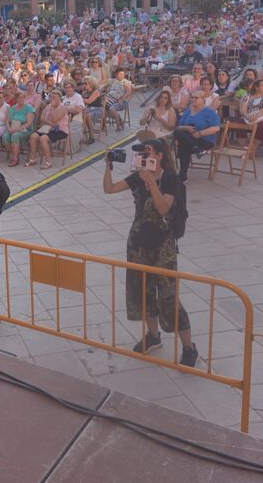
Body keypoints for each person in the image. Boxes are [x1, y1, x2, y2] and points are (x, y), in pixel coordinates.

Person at [103, 137, 198, 367]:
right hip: (137, 243)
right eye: (142, 152)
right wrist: (108, 166)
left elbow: (164, 208)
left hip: (162, 247)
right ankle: (153, 336)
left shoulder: (171, 180)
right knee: (140, 292)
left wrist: (152, 183)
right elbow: (110, 189)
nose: (144, 156)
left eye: (149, 151)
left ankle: (188, 347)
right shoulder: (139, 176)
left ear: (160, 155)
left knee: (168, 297)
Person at [172, 92, 221, 183]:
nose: (193, 99)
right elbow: (178, 127)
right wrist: (187, 128)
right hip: (190, 139)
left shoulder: (209, 112)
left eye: (196, 98)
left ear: (203, 100)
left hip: (205, 139)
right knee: (178, 133)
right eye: (192, 97)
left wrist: (200, 133)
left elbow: (216, 128)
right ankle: (197, 150)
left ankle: (183, 176)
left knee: (183, 146)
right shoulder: (188, 112)